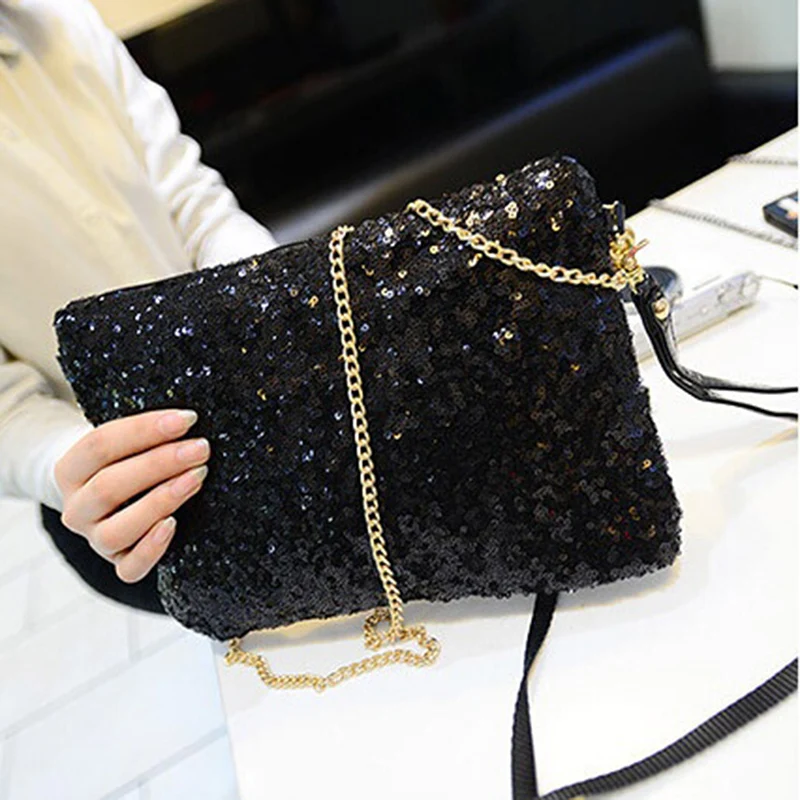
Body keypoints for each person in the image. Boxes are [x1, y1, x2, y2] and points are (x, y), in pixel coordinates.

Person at [0, 0, 278, 612]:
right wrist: (80, 469)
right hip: (110, 483)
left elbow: (192, 202)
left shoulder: (61, 21)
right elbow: (6, 409)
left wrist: (274, 306)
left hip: (253, 392)